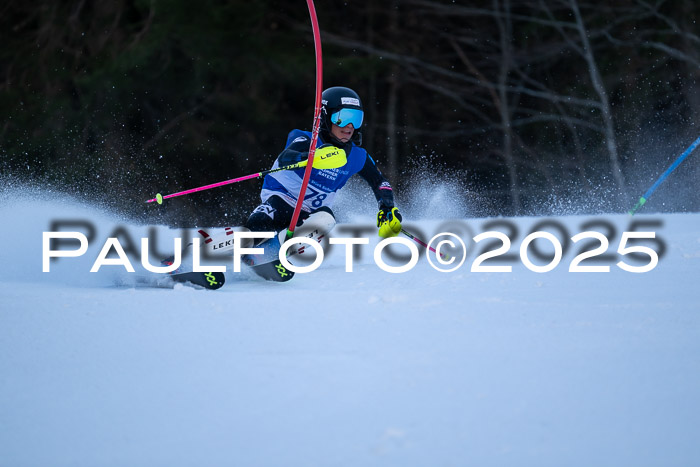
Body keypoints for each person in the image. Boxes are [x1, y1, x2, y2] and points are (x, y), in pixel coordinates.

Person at [244, 86, 402, 253]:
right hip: (281, 199)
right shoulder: (307, 139)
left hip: (310, 214)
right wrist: (311, 158)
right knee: (258, 224)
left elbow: (379, 181)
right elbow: (286, 158)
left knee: (326, 218)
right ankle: (229, 253)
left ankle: (278, 252)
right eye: (342, 118)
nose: (349, 126)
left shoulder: (357, 156)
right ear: (325, 117)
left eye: (356, 119)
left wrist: (387, 207)